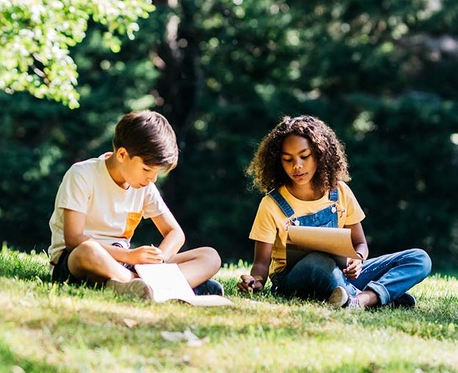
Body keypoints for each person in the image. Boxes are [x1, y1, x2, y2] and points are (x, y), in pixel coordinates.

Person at [237, 115, 431, 309]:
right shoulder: (271, 204)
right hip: (294, 279)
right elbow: (261, 263)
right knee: (317, 262)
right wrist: (256, 281)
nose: (297, 165)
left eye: (305, 156)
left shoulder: (340, 191)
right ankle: (380, 297)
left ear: (320, 154)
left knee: (418, 258)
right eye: (288, 159)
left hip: (341, 272)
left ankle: (361, 300)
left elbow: (360, 243)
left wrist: (358, 259)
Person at [47, 110, 223, 299]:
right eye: (147, 169)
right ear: (122, 154)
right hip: (77, 261)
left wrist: (159, 259)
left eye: (156, 172)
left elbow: (175, 233)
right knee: (88, 252)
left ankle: (139, 285)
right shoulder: (82, 174)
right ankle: (157, 285)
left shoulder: (143, 186)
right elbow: (73, 239)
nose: (152, 179)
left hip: (125, 264)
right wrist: (129, 256)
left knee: (210, 256)